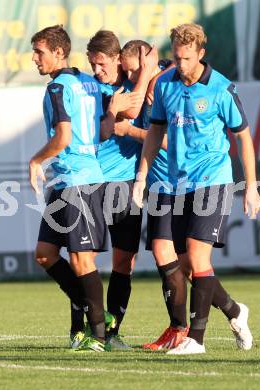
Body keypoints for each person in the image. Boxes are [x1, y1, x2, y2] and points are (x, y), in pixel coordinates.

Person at [133, 23, 260, 355]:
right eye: (176, 58)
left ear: (201, 54)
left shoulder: (220, 89)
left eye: (187, 58)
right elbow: (153, 134)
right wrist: (141, 177)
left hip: (213, 180)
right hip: (176, 184)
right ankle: (234, 310)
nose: (181, 65)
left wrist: (250, 186)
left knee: (197, 252)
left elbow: (244, 137)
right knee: (186, 264)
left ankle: (195, 340)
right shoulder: (165, 86)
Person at [29, 25, 140, 352]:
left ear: (59, 52)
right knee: (44, 254)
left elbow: (63, 137)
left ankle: (98, 334)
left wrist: (36, 161)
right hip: (64, 180)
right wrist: (113, 107)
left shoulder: (61, 88)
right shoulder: (87, 82)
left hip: (79, 179)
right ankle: (98, 313)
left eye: (40, 52)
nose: (35, 59)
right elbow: (115, 112)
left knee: (81, 259)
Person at [69, 30, 157, 350]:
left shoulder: (139, 87)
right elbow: (129, 110)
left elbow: (148, 131)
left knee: (125, 262)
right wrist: (147, 72)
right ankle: (79, 329)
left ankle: (112, 332)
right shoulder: (94, 89)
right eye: (92, 63)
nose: (96, 69)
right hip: (91, 180)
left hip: (125, 184)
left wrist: (145, 73)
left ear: (118, 59)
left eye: (101, 63)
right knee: (84, 258)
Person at [117, 40, 189, 350]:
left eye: (132, 69)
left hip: (178, 184)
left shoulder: (163, 85)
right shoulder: (144, 86)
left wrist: (128, 131)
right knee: (176, 260)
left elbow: (167, 141)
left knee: (181, 260)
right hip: (159, 184)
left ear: (146, 62)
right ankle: (185, 327)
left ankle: (186, 326)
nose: (128, 76)